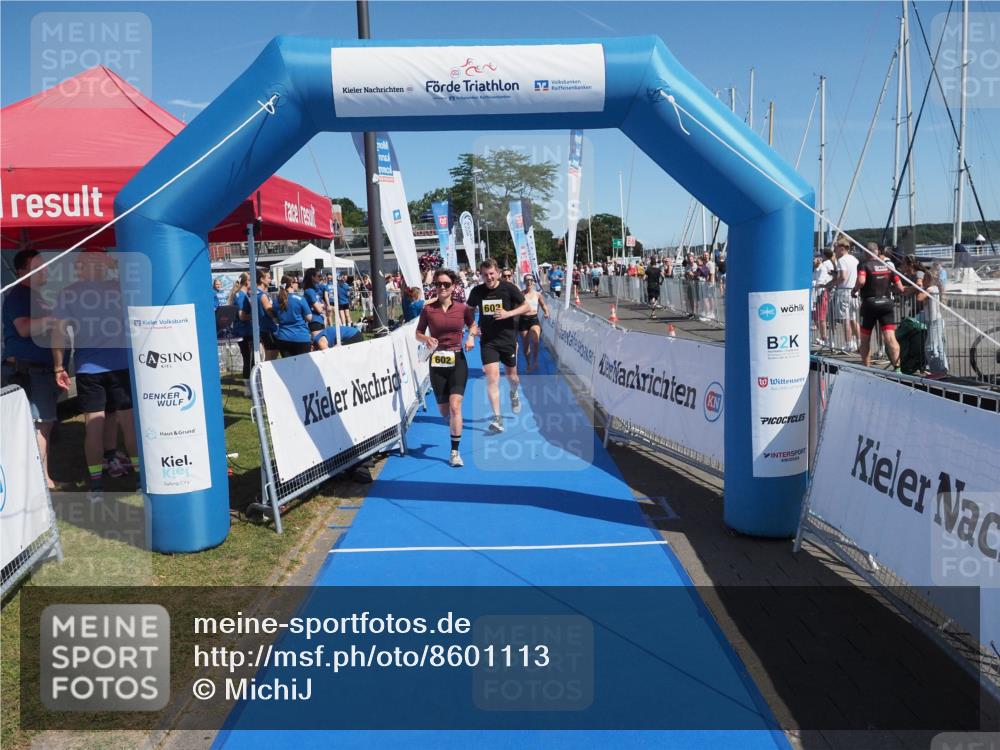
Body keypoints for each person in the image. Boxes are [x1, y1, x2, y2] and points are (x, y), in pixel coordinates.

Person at [51, 248, 138, 501]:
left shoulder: (67, 293)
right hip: (120, 363)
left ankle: (97, 485)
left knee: (94, 426)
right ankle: (141, 479)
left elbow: (58, 332)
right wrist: (112, 263)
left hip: (88, 367)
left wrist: (58, 366)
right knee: (128, 423)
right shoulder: (119, 288)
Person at [1, 250, 71, 489]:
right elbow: (24, 328)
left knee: (43, 424)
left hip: (39, 371)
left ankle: (40, 479)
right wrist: (56, 319)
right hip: (29, 372)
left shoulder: (36, 296)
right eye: (39, 266)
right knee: (39, 424)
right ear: (23, 272)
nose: (45, 269)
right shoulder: (20, 295)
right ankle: (42, 482)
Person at [415, 268, 476, 467]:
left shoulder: (462, 308)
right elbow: (417, 333)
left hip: (457, 359)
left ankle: (454, 452)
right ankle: (453, 424)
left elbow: (473, 325)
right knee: (444, 411)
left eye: (446, 284)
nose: (442, 287)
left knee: (455, 406)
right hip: (437, 361)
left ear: (454, 287)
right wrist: (426, 338)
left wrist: (471, 337)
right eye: (438, 284)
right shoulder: (428, 309)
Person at [466, 258, 532, 433]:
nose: (489, 277)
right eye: (485, 274)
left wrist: (508, 313)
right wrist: (473, 329)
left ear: (497, 273)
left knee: (512, 377)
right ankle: (497, 419)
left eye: (491, 273)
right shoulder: (477, 291)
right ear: (480, 275)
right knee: (492, 378)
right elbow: (468, 312)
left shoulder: (509, 288)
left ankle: (513, 392)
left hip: (508, 340)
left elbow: (526, 306)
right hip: (488, 341)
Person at [853, 249, 904, 369]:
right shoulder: (887, 266)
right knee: (890, 337)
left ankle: (866, 367)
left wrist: (854, 290)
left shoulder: (864, 265)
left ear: (865, 253)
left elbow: (861, 281)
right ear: (877, 252)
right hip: (886, 303)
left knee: (865, 338)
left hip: (869, 304)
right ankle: (898, 368)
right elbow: (900, 288)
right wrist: (888, 289)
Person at [827, 237, 860, 352]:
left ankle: (848, 344)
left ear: (842, 248)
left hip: (844, 291)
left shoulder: (841, 260)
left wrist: (831, 284)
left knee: (845, 319)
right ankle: (858, 343)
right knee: (853, 318)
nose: (834, 250)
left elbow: (843, 277)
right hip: (854, 291)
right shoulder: (854, 259)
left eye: (836, 248)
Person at [241, 269, 279, 360]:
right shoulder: (262, 295)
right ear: (262, 279)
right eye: (269, 278)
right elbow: (270, 312)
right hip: (268, 328)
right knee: (271, 357)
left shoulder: (254, 293)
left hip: (262, 328)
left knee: (268, 355)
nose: (270, 280)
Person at [273, 275, 313, 357]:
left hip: (283, 338)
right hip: (301, 337)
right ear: (291, 284)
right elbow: (309, 318)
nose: (298, 283)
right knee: (302, 367)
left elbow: (276, 319)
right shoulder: (300, 299)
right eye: (296, 282)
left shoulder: (277, 300)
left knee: (288, 368)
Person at [227, 273, 254, 394]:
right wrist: (255, 316)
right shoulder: (241, 296)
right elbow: (242, 316)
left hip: (244, 330)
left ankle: (250, 386)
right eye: (250, 279)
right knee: (248, 359)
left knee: (249, 358)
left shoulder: (241, 295)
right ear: (246, 282)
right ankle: (249, 388)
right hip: (244, 331)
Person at [518, 274, 549, 372]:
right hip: (523, 320)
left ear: (533, 282)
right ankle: (528, 364)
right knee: (526, 345)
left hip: (534, 319)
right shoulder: (521, 294)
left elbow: (543, 305)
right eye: (527, 280)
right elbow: (515, 306)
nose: (529, 282)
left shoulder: (537, 294)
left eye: (531, 280)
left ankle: (535, 361)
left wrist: (546, 312)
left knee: (535, 341)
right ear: (524, 282)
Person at [812, 250, 835, 347]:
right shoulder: (814, 269)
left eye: (815, 258)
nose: (813, 260)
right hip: (815, 294)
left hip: (821, 293)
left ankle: (825, 338)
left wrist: (813, 284)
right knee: (816, 317)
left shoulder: (822, 268)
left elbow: (820, 282)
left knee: (821, 318)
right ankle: (823, 337)